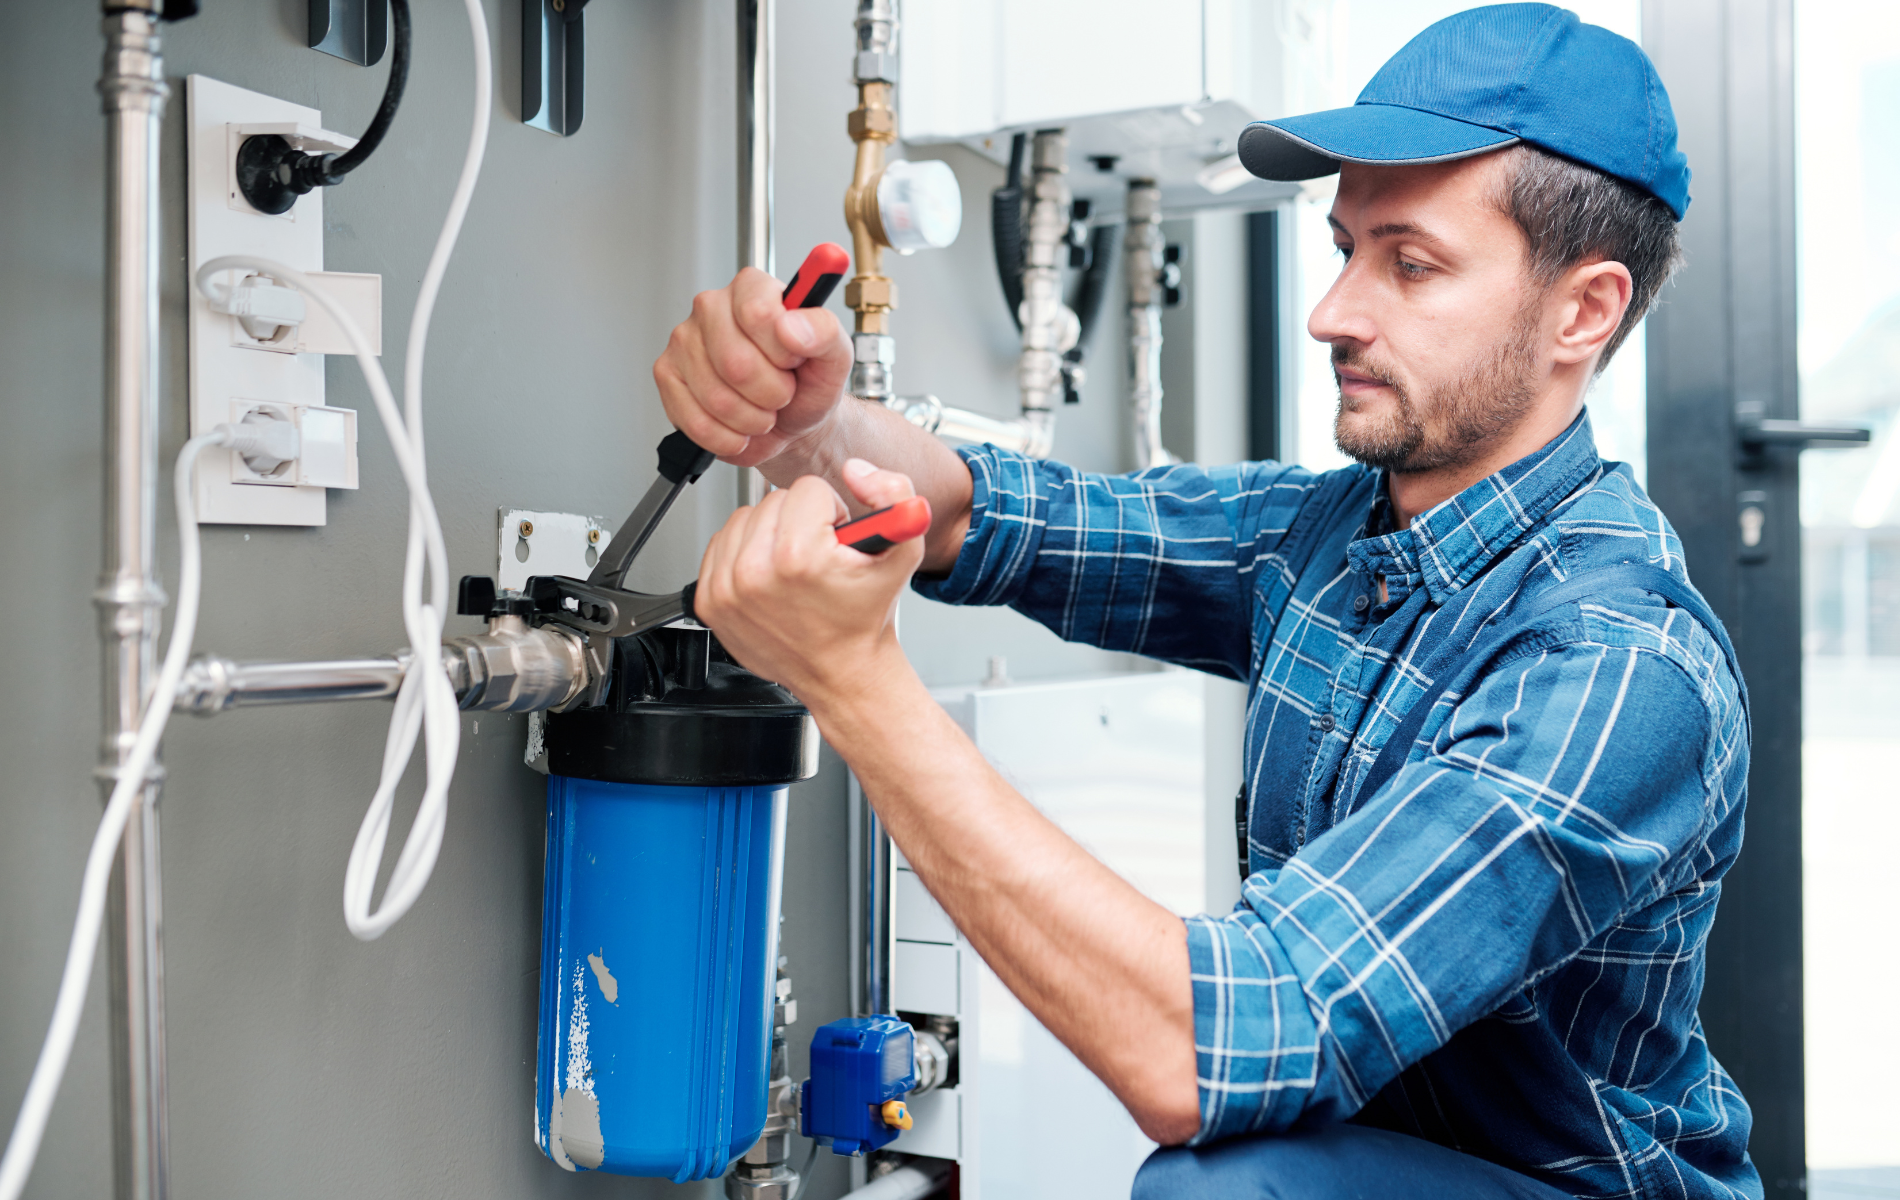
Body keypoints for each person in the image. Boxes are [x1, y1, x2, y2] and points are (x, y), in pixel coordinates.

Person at [654, 5, 1756, 1197]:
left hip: (1571, 1189)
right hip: (1372, 1157)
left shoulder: (1615, 661)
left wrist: (853, 684)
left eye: (1410, 263)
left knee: (1216, 1187)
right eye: (1344, 251)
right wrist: (809, 424)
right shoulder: (1331, 533)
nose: (1333, 311)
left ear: (1581, 311)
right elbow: (996, 514)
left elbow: (1208, 1051)